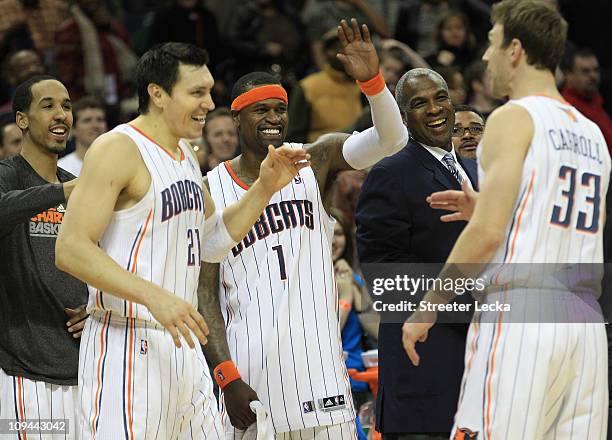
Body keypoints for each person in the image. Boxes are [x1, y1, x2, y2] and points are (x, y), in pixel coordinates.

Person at [55, 42, 310, 439]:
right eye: (196, 92)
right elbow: (70, 248)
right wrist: (154, 295)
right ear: (157, 93)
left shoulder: (185, 156)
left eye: (209, 91)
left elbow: (212, 242)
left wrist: (263, 189)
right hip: (128, 343)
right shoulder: (118, 148)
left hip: (185, 350)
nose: (209, 103)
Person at [403, 2, 610, 438]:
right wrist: (488, 206)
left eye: (492, 43)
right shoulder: (593, 132)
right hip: (586, 326)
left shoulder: (513, 117)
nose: (484, 56)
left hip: (523, 317)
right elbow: (570, 225)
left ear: (514, 49)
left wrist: (428, 309)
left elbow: (487, 234)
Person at [198, 19, 408, 439]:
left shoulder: (317, 159)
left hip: (321, 371)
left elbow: (392, 140)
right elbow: (204, 291)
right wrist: (225, 375)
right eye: (262, 110)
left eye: (280, 109)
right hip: (250, 370)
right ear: (237, 120)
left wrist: (372, 82)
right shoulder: (209, 188)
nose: (274, 118)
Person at [355, 67, 478, 439]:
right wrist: (467, 303)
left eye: (440, 97)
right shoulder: (391, 173)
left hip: (476, 354)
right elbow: (383, 277)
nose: (435, 109)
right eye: (419, 103)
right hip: (424, 361)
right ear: (404, 116)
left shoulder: (473, 169)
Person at [0, 75, 88, 440]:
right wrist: (61, 190)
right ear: (22, 119)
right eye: (48, 105)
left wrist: (96, 306)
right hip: (24, 375)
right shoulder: (9, 175)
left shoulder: (78, 186)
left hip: (85, 369)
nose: (61, 114)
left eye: (66, 106)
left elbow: (108, 257)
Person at [561, 47, 612, 151]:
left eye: (596, 70)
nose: (593, 76)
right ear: (568, 75)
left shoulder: (597, 104)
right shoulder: (566, 108)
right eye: (585, 71)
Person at [58, 96, 107, 176]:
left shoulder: (120, 163)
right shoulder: (61, 169)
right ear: (73, 129)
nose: (95, 125)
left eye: (100, 120)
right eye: (87, 120)